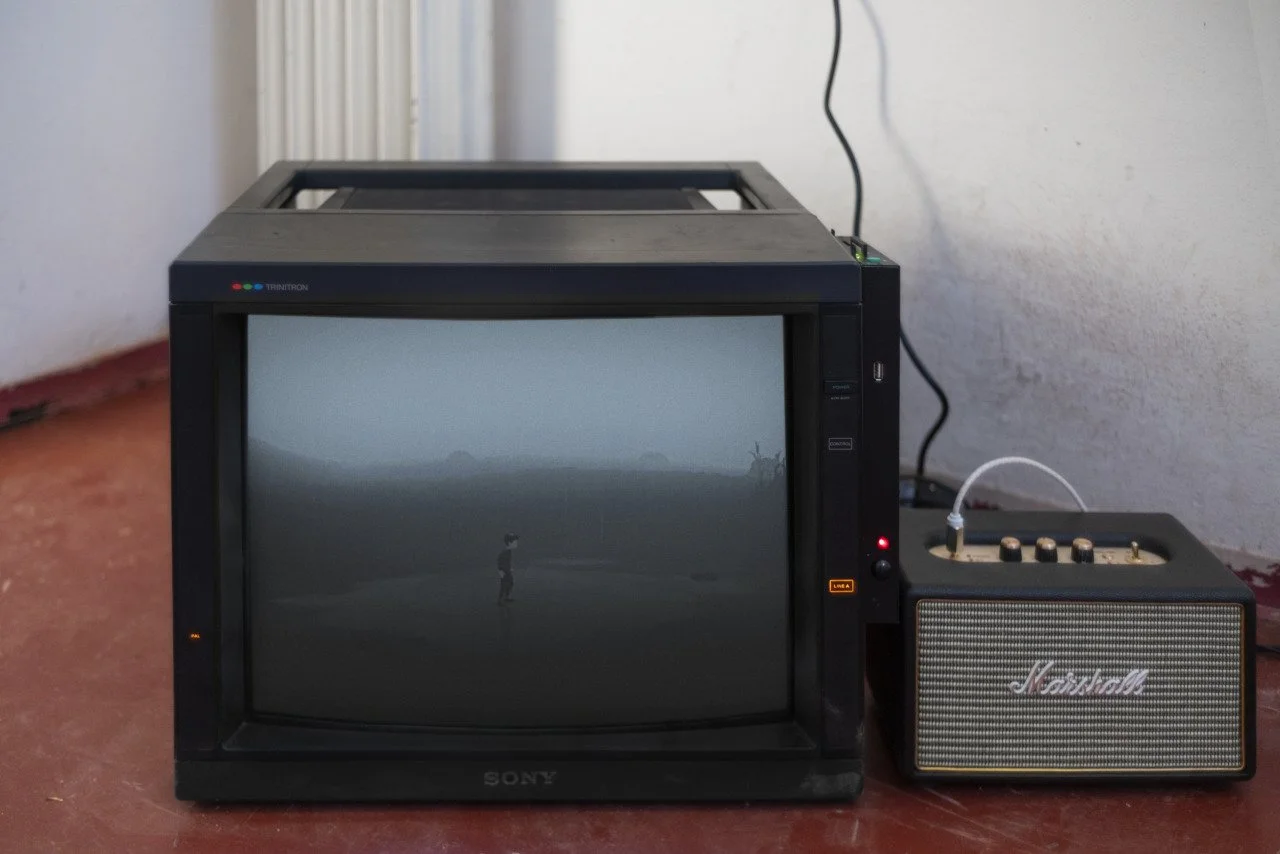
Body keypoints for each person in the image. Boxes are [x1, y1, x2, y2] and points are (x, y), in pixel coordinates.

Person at [497, 533, 519, 604]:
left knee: (510, 583)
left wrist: (510, 568)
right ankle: (500, 600)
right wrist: (500, 570)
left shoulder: (509, 552)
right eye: (515, 542)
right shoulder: (504, 552)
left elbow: (507, 562)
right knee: (504, 585)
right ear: (509, 543)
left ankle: (506, 597)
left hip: (507, 571)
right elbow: (500, 560)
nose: (516, 544)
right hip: (504, 571)